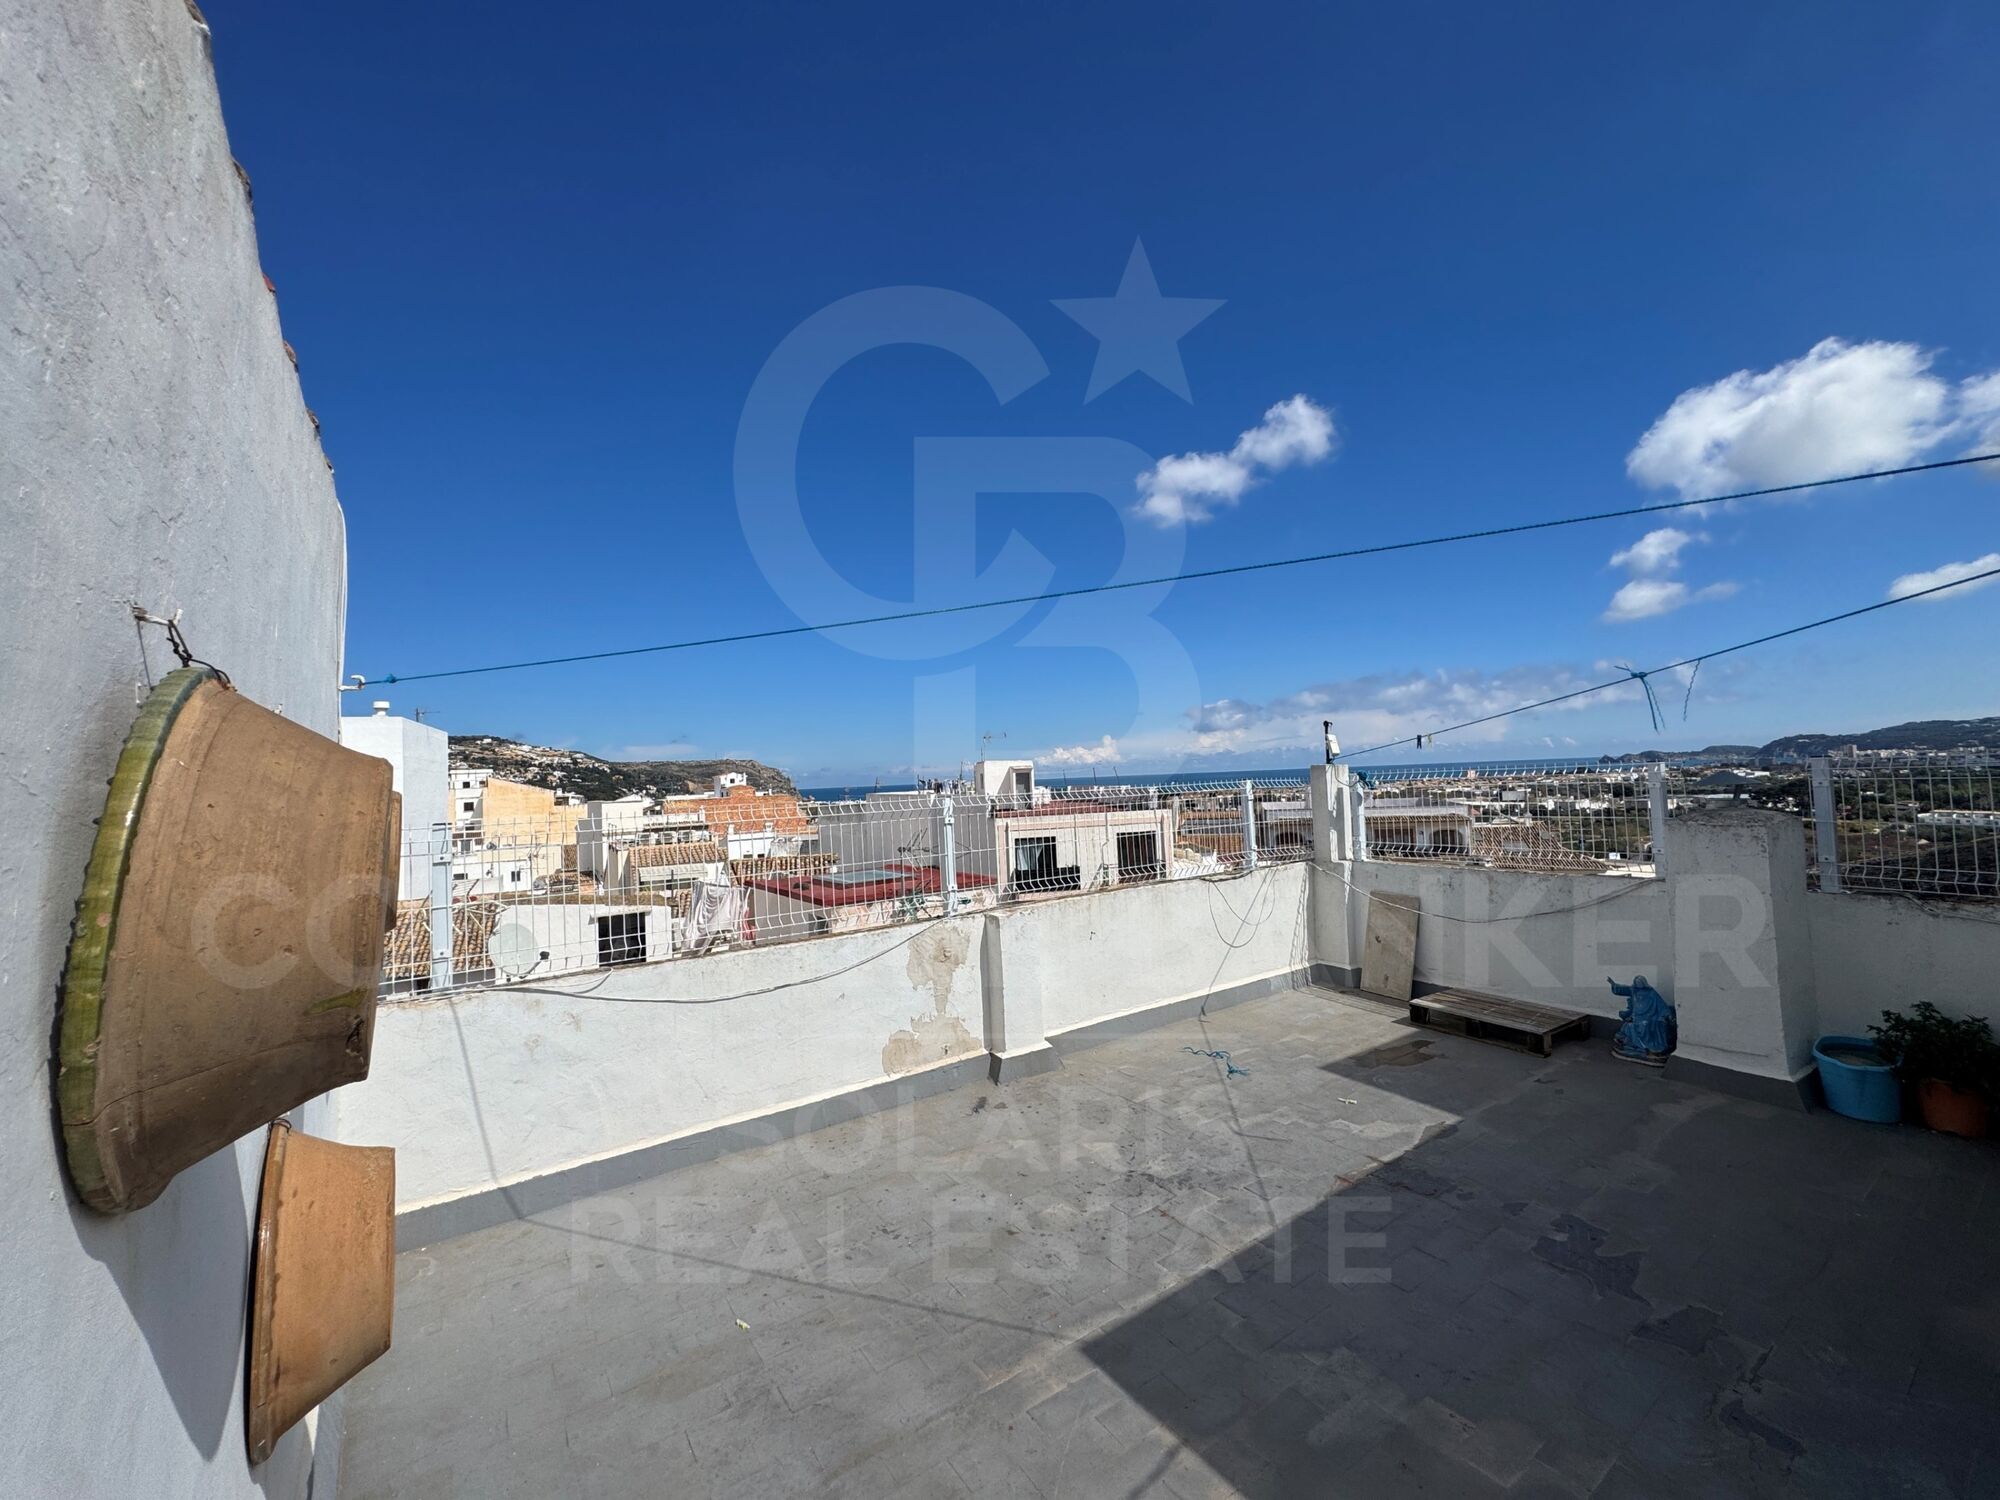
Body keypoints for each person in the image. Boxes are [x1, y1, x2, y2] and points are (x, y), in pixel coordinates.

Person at [1608, 974, 1675, 1067]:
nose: (1638, 987)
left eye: (1639, 985)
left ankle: (1650, 1048)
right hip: (1636, 1017)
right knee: (1630, 1026)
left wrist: (1667, 1014)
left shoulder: (1652, 993)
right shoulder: (1634, 990)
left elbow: (1662, 1006)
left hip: (1649, 1017)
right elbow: (1623, 990)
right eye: (1636, 984)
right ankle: (1638, 1046)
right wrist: (1614, 985)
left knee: (1645, 1026)